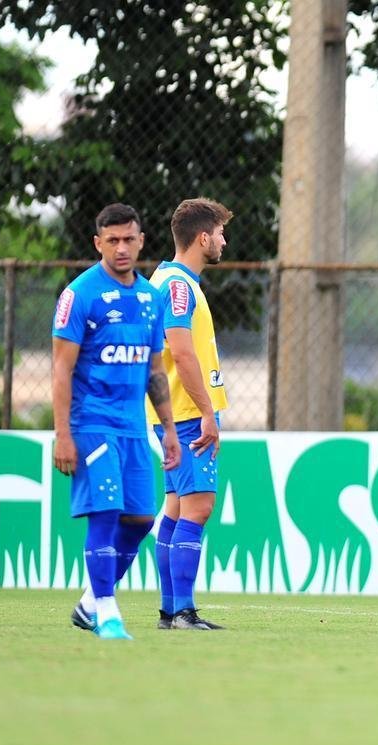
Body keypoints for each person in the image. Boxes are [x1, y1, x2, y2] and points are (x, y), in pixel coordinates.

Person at [55, 203, 181, 640]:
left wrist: (167, 429)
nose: (122, 248)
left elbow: (154, 369)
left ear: (142, 240)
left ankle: (89, 602)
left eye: (129, 239)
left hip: (133, 427)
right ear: (98, 243)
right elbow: (60, 369)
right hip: (91, 423)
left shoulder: (150, 297)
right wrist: (63, 435)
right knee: (105, 514)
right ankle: (107, 612)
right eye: (112, 240)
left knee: (142, 520)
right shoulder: (79, 294)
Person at [148, 197, 233, 631]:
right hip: (185, 412)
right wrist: (206, 413)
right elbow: (180, 351)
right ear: (203, 238)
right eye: (219, 232)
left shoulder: (166, 278)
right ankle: (182, 611)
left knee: (178, 508)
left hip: (172, 413)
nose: (223, 240)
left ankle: (170, 610)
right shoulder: (179, 285)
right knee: (198, 508)